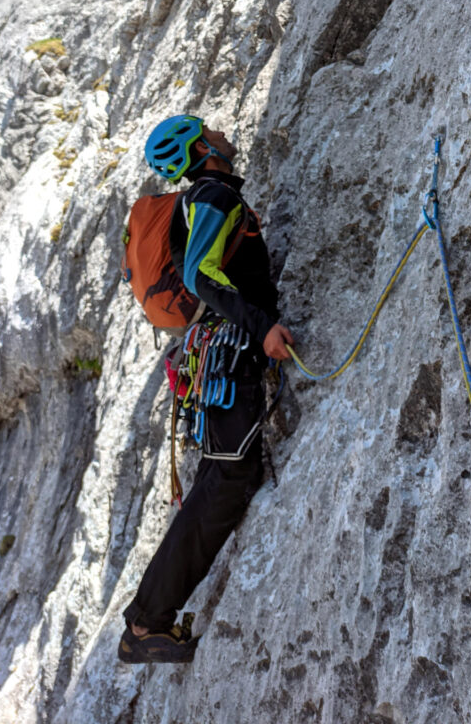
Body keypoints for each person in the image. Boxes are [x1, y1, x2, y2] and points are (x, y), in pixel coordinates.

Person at [118, 115, 293, 664]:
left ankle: (147, 621)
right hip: (230, 350)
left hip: (216, 354)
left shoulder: (208, 197)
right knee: (229, 477)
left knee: (220, 477)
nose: (221, 134)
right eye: (209, 130)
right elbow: (198, 275)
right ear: (199, 147)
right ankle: (146, 623)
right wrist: (260, 324)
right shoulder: (213, 193)